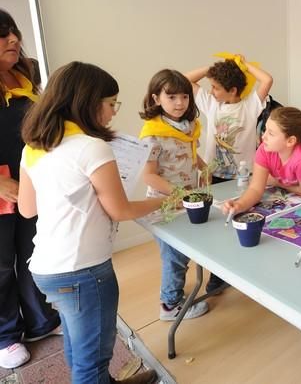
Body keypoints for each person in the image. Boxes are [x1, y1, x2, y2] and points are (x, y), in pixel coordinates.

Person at [18, 61, 161, 384]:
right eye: (111, 103)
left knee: (77, 341)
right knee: (91, 360)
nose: (112, 112)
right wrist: (163, 201)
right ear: (88, 102)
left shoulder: (34, 147)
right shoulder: (91, 148)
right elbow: (120, 210)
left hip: (45, 267)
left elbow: (27, 209)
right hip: (83, 270)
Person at [0, 9, 60, 370]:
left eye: (13, 33)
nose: (13, 40)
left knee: (33, 255)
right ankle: (6, 334)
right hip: (3, 190)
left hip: (31, 184)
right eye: (2, 35)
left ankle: (40, 321)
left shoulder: (25, 75)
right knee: (2, 267)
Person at [139, 69, 211, 319]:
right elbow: (148, 175)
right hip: (165, 205)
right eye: (172, 97)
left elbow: (191, 153)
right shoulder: (152, 133)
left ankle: (175, 291)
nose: (180, 103)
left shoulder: (188, 126)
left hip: (188, 199)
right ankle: (170, 305)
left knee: (184, 251)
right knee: (174, 256)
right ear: (156, 98)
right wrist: (179, 194)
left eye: (184, 96)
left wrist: (203, 166)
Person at [185, 54, 273, 183]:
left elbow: (267, 80)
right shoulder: (211, 104)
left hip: (244, 175)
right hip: (212, 174)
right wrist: (214, 68)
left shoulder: (250, 106)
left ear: (232, 90)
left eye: (215, 88)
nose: (211, 92)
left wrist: (243, 64)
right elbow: (184, 80)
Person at [222, 107, 301, 215]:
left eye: (271, 133)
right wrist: (240, 205)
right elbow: (255, 189)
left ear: (290, 141)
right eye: (265, 130)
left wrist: (277, 182)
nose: (263, 136)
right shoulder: (264, 150)